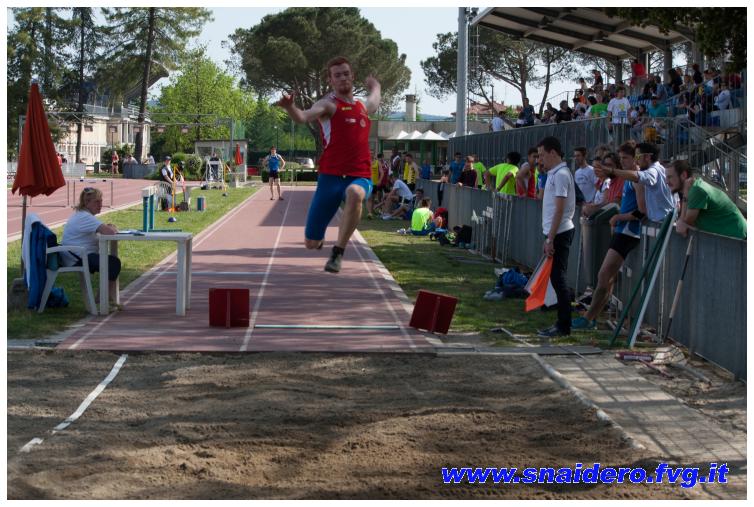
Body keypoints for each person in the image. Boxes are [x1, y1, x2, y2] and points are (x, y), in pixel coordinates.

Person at [278, 55, 381, 272]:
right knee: (311, 243)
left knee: (355, 193)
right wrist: (290, 107)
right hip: (330, 178)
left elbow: (374, 99)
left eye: (346, 74)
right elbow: (303, 117)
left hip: (359, 175)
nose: (342, 78)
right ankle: (318, 241)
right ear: (330, 80)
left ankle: (338, 252)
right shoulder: (328, 105)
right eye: (337, 75)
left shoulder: (362, 106)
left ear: (352, 76)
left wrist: (375, 85)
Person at [572, 142, 647, 330]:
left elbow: (641, 211)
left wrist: (618, 217)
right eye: (621, 158)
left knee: (604, 274)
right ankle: (593, 316)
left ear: (635, 159)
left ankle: (588, 318)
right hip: (622, 230)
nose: (622, 162)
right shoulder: (627, 178)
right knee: (608, 277)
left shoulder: (636, 179)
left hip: (628, 232)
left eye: (625, 158)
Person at [537, 136, 576, 338]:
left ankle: (564, 325)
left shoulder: (561, 174)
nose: (540, 160)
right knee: (555, 278)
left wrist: (550, 239)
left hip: (560, 232)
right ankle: (561, 323)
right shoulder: (554, 173)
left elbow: (560, 210)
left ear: (553, 153)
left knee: (559, 279)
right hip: (555, 232)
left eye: (542, 155)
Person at [60, 187, 122, 310]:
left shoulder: (82, 215)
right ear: (87, 202)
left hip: (75, 255)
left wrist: (107, 228)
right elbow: (110, 233)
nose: (100, 204)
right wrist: (111, 228)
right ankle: (103, 299)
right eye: (97, 202)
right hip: (77, 257)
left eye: (101, 201)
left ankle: (104, 297)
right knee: (113, 263)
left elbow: (103, 230)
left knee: (111, 262)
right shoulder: (85, 217)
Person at [666, 160, 746, 239]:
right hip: (731, 238)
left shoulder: (697, 190)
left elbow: (684, 222)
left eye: (670, 177)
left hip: (739, 238)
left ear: (683, 175)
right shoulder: (695, 186)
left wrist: (685, 194)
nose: (666, 181)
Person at [367, 152, 388, 219]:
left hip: (375, 183)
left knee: (373, 198)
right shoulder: (367, 161)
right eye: (370, 153)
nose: (371, 155)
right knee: (369, 198)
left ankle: (371, 211)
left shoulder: (377, 162)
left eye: (372, 153)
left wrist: (380, 180)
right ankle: (369, 213)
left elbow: (382, 173)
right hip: (368, 182)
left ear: (374, 155)